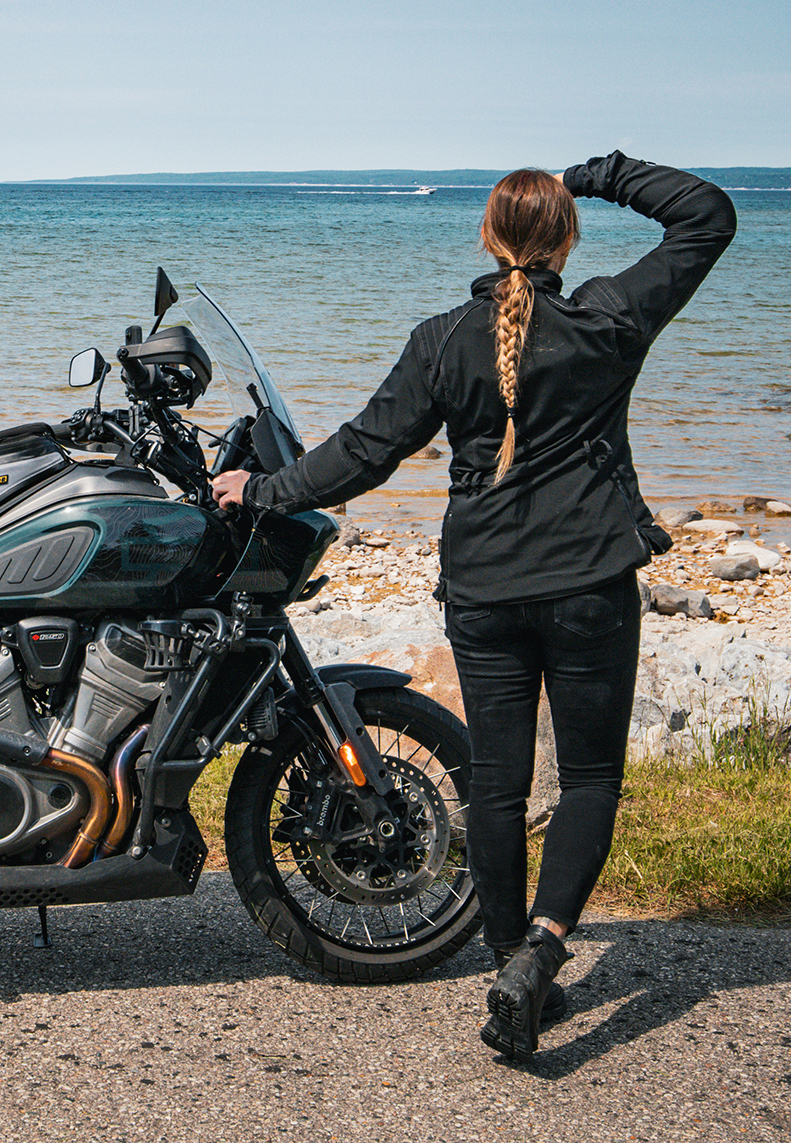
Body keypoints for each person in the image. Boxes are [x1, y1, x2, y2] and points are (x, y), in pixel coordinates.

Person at [211, 152, 736, 1062]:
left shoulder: (444, 339)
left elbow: (362, 455)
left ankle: (506, 961)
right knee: (588, 781)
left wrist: (259, 491)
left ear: (487, 239)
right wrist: (603, 171)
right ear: (565, 237)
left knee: (495, 784)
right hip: (588, 585)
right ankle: (540, 953)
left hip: (486, 590)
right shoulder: (611, 316)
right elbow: (707, 216)